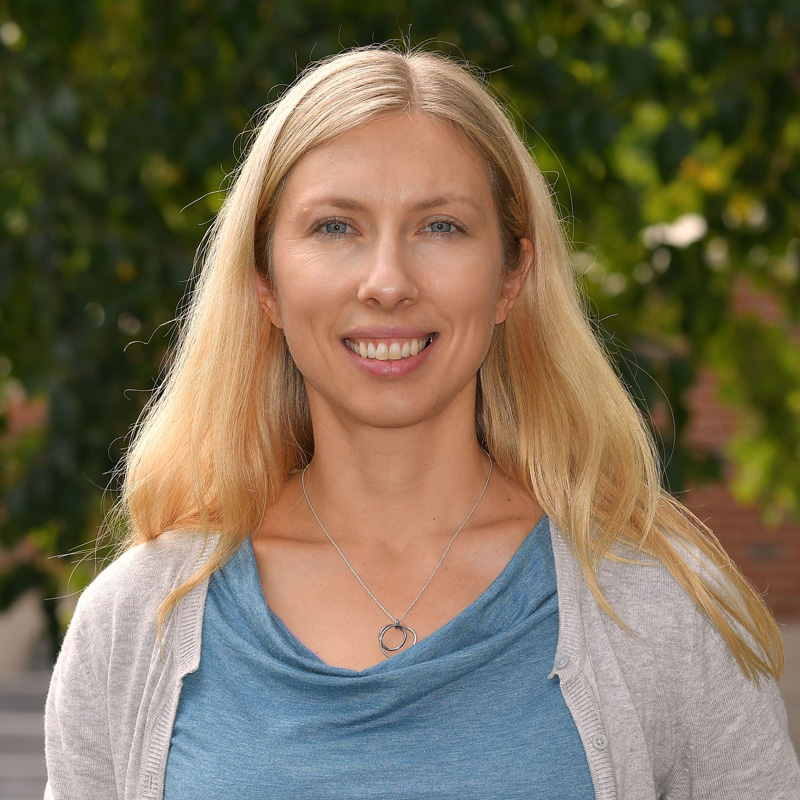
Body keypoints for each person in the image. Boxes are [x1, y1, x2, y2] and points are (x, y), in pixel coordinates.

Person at [44, 44, 800, 799]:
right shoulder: (137, 620)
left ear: (511, 277)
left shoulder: (656, 607)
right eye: (336, 227)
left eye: (440, 227)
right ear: (265, 283)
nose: (388, 283)